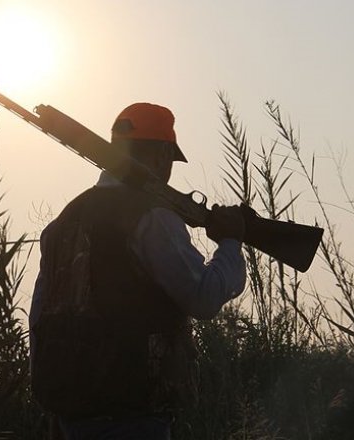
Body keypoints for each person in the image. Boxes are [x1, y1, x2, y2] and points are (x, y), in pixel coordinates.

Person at [29, 102, 247, 439]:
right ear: (161, 155)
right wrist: (231, 242)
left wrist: (55, 406)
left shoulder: (63, 222)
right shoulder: (152, 216)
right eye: (169, 160)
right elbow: (203, 298)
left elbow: (40, 319)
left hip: (72, 417)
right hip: (132, 414)